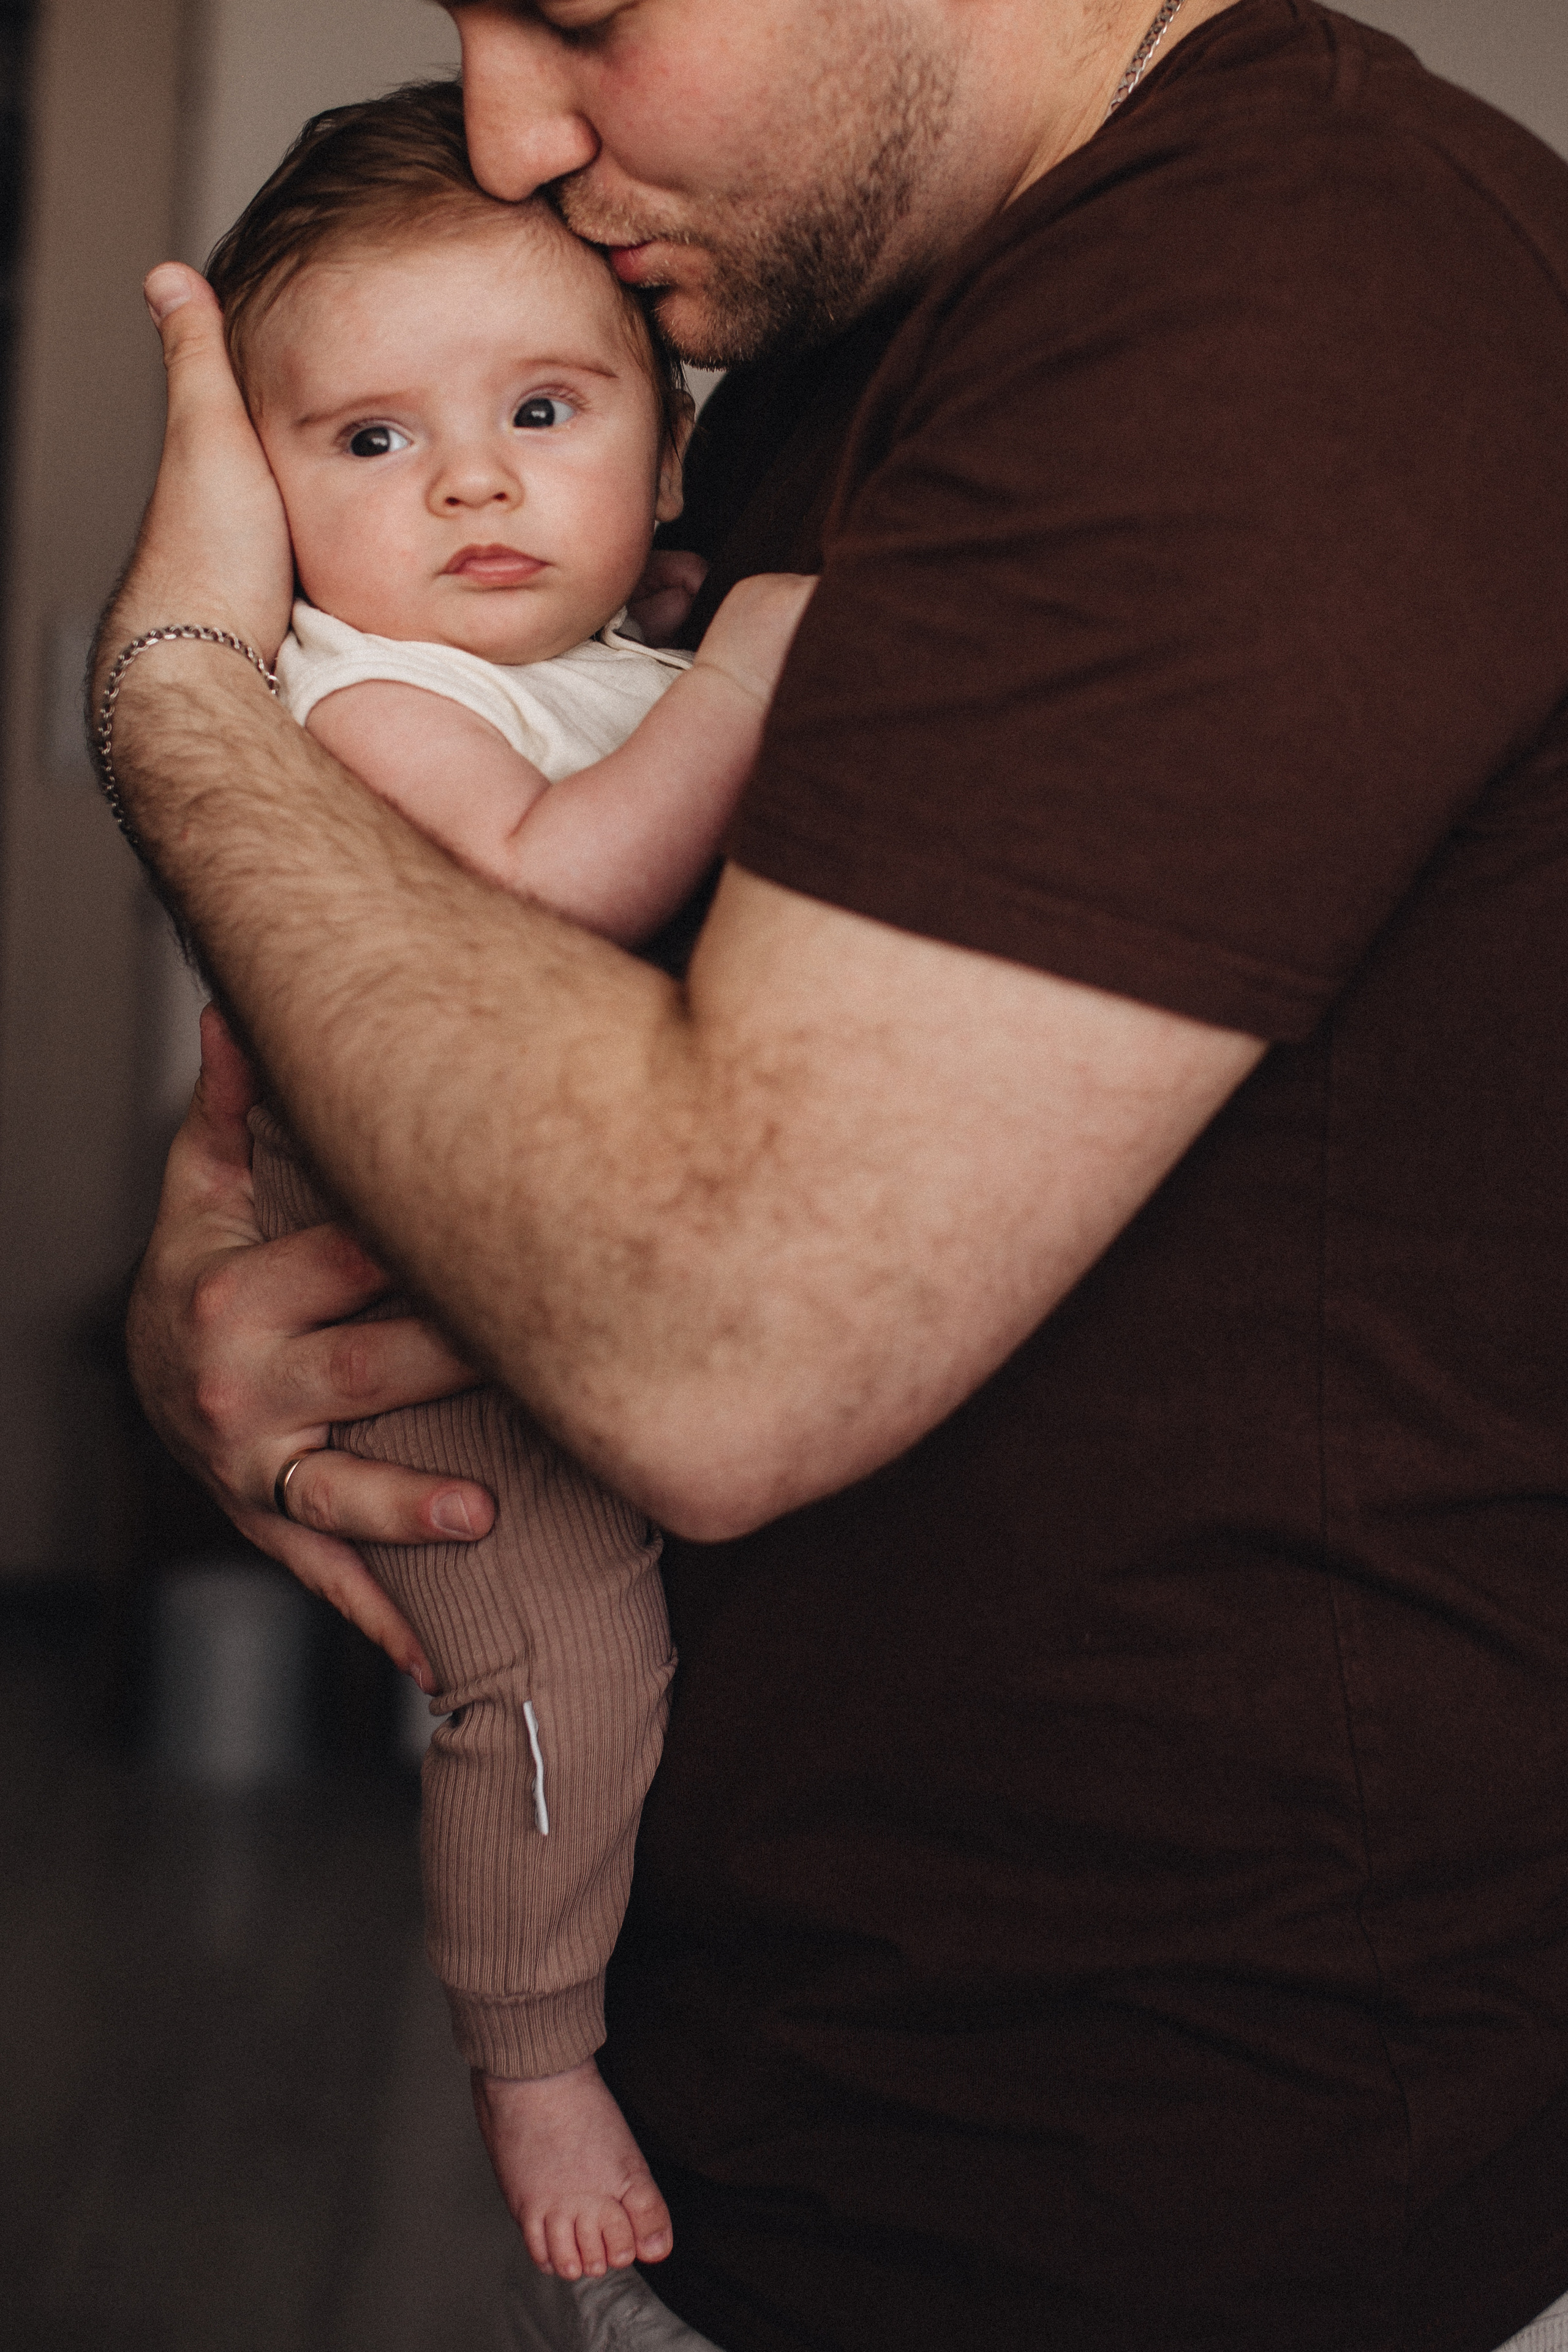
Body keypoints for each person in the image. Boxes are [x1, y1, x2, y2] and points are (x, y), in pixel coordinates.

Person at [96, 2, 1568, 2348]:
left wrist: (175, 681)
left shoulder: (1292, 293)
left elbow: (712, 1350)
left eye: (582, 12)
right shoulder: (810, 331)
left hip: (1195, 2202)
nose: (510, 125)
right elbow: (551, 1044)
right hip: (778, 2116)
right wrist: (223, 1304)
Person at [178, 80, 812, 2285]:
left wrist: (686, 653)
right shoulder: (366, 701)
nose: (464, 480)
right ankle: (527, 2047)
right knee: (556, 1665)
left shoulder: (595, 660)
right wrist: (752, 663)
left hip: (548, 1243)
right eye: (366, 442)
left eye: (541, 405)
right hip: (404, 1303)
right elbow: (571, 875)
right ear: (266, 510)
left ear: (659, 436)